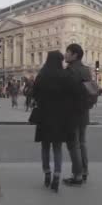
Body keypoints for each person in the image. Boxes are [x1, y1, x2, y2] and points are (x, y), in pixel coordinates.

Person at [32, 51, 77, 192]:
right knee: (57, 147)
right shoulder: (65, 75)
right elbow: (72, 95)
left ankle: (47, 173)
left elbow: (34, 93)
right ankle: (57, 176)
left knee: (45, 146)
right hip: (60, 116)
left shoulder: (41, 75)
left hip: (44, 115)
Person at [63, 43, 92, 186]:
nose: (65, 55)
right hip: (84, 111)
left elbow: (66, 94)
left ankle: (77, 175)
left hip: (72, 113)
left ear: (74, 55)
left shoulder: (70, 71)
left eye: (67, 52)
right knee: (82, 142)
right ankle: (84, 171)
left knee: (73, 145)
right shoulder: (86, 70)